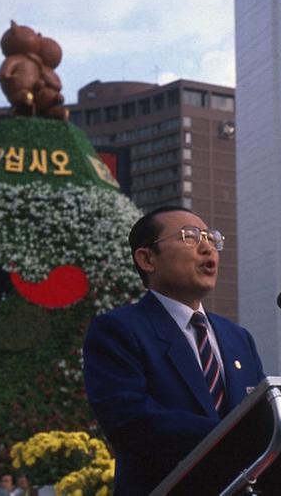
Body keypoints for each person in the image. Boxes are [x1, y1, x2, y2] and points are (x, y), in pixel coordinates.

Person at [83, 206, 265, 496]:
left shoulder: (238, 338)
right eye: (190, 236)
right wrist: (233, 438)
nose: (207, 248)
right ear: (147, 258)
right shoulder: (118, 330)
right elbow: (131, 421)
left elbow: (262, 415)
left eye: (212, 238)